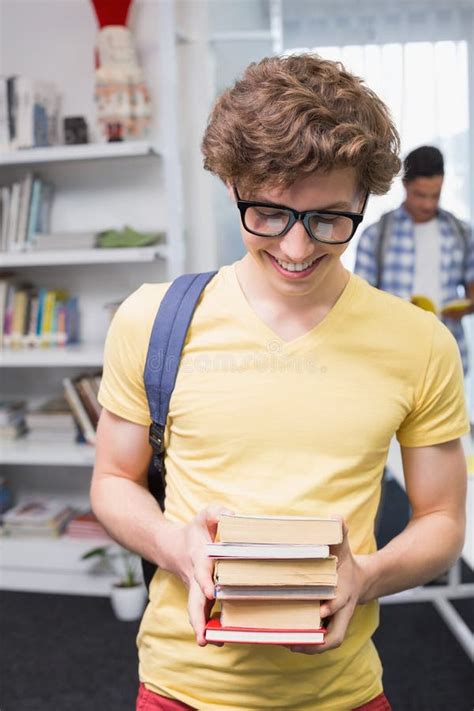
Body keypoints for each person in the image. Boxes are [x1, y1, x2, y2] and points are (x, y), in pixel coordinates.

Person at [91, 55, 469, 711]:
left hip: (344, 692)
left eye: (328, 219)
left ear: (364, 199)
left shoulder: (420, 342)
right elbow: (112, 480)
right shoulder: (153, 320)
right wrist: (174, 546)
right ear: (233, 184)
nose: (296, 250)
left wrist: (367, 575)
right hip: (181, 688)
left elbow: (442, 519)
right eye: (267, 213)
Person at [354, 145, 474, 373]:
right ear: (405, 184)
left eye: (435, 195)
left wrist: (464, 307)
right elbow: (359, 303)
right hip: (393, 357)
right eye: (420, 195)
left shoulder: (462, 232)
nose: (428, 204)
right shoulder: (377, 236)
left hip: (448, 355)